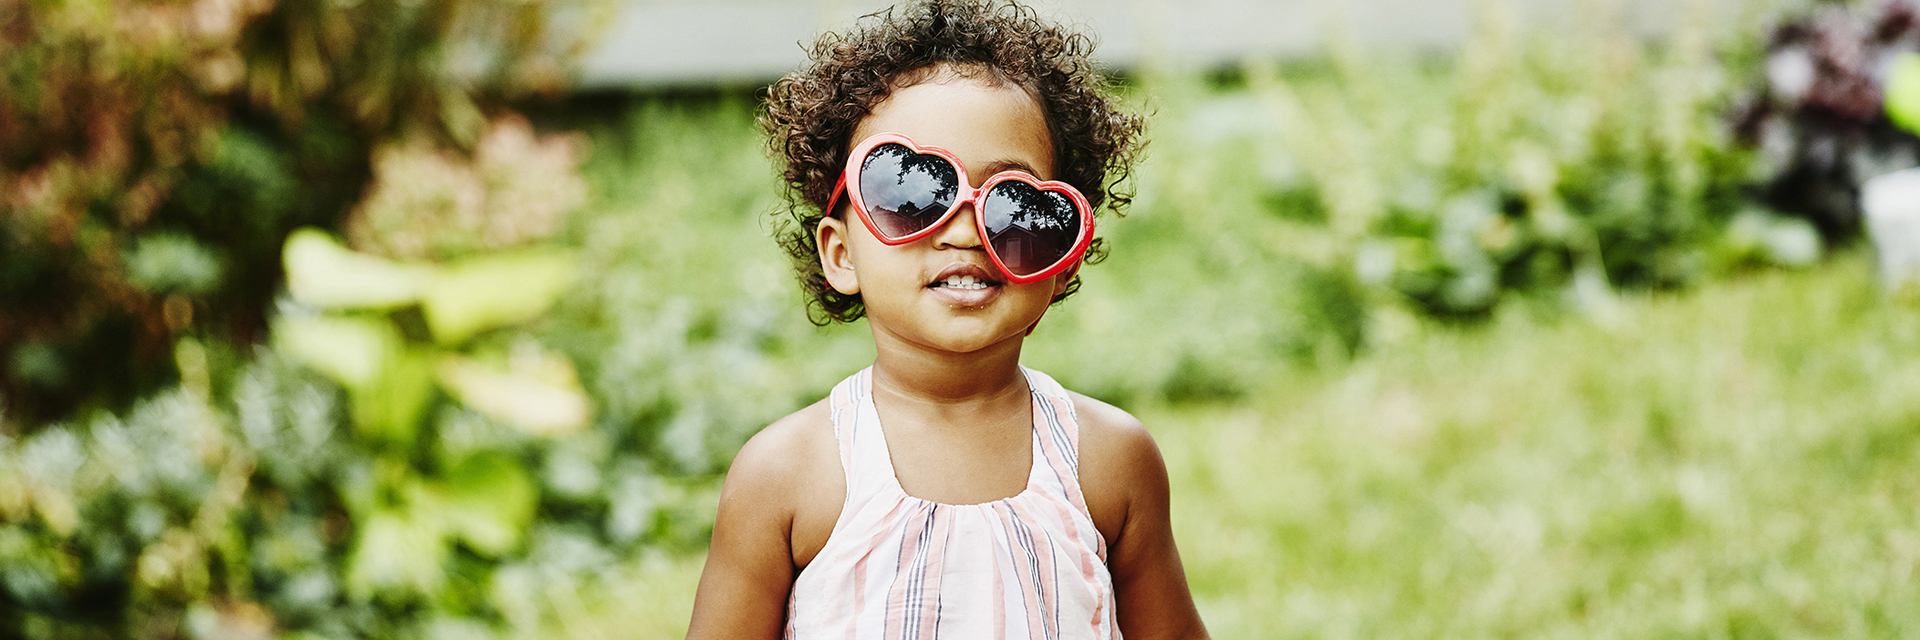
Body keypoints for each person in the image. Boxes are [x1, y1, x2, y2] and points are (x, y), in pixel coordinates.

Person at [686, 1, 1209, 638]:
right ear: (841, 254)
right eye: (910, 192)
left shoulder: (1109, 461)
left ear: (1061, 262)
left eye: (1015, 206)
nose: (963, 231)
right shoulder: (786, 474)